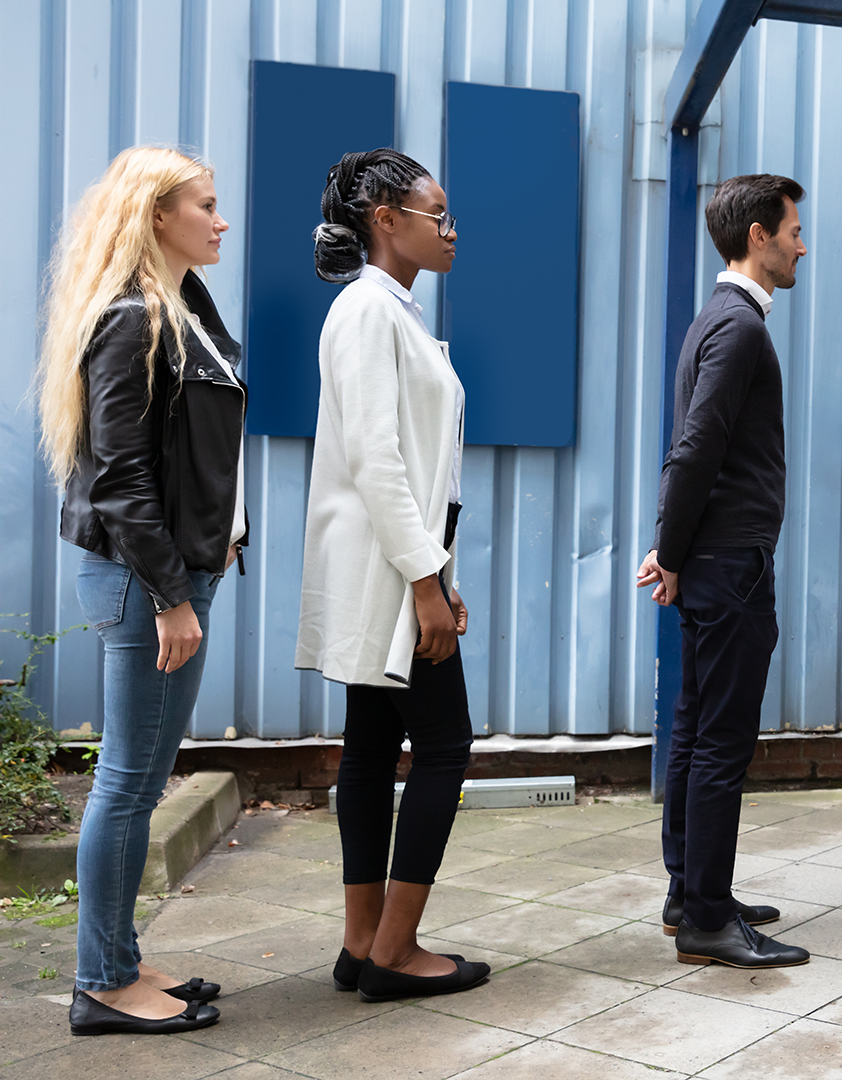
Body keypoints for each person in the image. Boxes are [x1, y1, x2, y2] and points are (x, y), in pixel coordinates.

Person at [38, 146, 245, 1035]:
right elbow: (121, 476)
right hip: (144, 581)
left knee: (143, 776)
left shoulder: (184, 308)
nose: (220, 218)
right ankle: (101, 984)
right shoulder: (133, 320)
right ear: (157, 215)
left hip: (171, 571)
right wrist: (171, 594)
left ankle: (119, 957)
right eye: (204, 203)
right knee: (126, 783)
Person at [296, 148, 488, 1003]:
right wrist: (424, 581)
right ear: (385, 218)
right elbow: (378, 459)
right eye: (435, 214)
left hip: (398, 562)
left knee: (372, 746)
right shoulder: (369, 313)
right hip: (390, 568)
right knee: (445, 746)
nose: (450, 230)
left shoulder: (385, 311)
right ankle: (396, 952)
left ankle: (361, 942)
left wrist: (434, 571)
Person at [636, 174, 811, 969]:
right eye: (793, 230)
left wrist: (671, 547)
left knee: (695, 729)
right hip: (730, 562)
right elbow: (697, 446)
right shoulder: (739, 328)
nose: (802, 244)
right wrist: (670, 550)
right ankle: (706, 919)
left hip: (707, 559)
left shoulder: (713, 319)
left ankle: (691, 894)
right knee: (720, 742)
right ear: (758, 238)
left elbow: (692, 448)